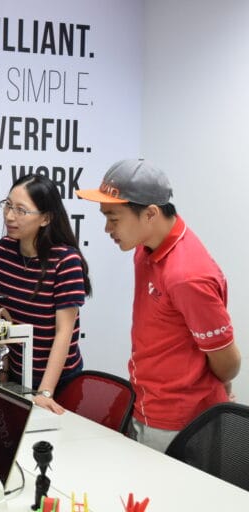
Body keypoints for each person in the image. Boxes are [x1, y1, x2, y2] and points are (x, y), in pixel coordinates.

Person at [77, 158, 240, 452]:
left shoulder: (187, 276)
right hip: (145, 403)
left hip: (179, 423)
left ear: (150, 213)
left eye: (113, 219)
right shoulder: (146, 247)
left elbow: (228, 363)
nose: (106, 229)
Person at [0, 174, 92, 414]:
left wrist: (45, 392)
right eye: (8, 205)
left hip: (59, 380)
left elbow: (64, 332)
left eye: (21, 210)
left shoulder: (65, 260)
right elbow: (4, 317)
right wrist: (4, 372)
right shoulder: (5, 250)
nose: (9, 216)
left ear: (46, 218)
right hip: (18, 372)